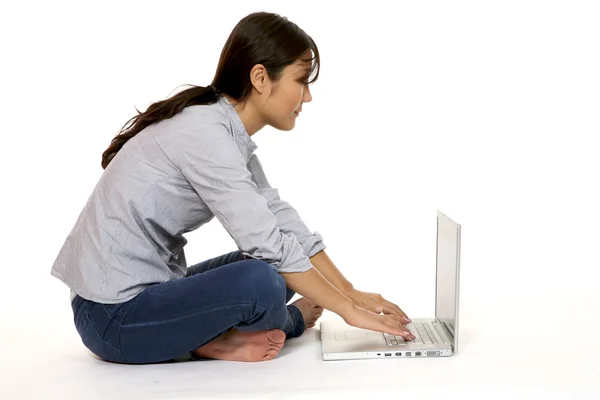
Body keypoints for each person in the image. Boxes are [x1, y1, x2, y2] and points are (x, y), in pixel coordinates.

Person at [50, 11, 415, 365]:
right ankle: (260, 330)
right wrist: (347, 311)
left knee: (270, 271)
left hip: (150, 296)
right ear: (260, 77)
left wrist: (349, 292)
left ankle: (211, 340)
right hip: (110, 319)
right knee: (262, 279)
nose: (307, 98)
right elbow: (269, 244)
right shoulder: (205, 132)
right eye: (302, 81)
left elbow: (280, 220)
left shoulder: (223, 130)